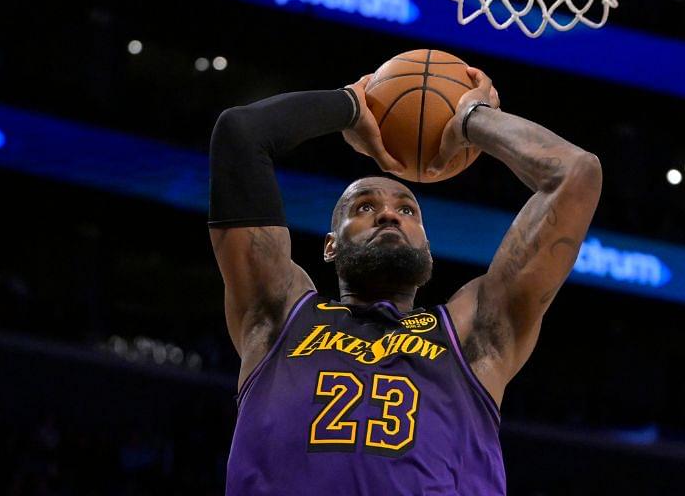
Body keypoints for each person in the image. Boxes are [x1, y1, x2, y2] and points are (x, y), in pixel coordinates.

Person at [209, 67, 602, 494]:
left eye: (408, 210)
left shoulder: (474, 334)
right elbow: (240, 134)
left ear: (427, 247)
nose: (389, 213)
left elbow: (576, 174)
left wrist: (473, 118)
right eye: (362, 207)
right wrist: (350, 105)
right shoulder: (278, 315)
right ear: (330, 247)